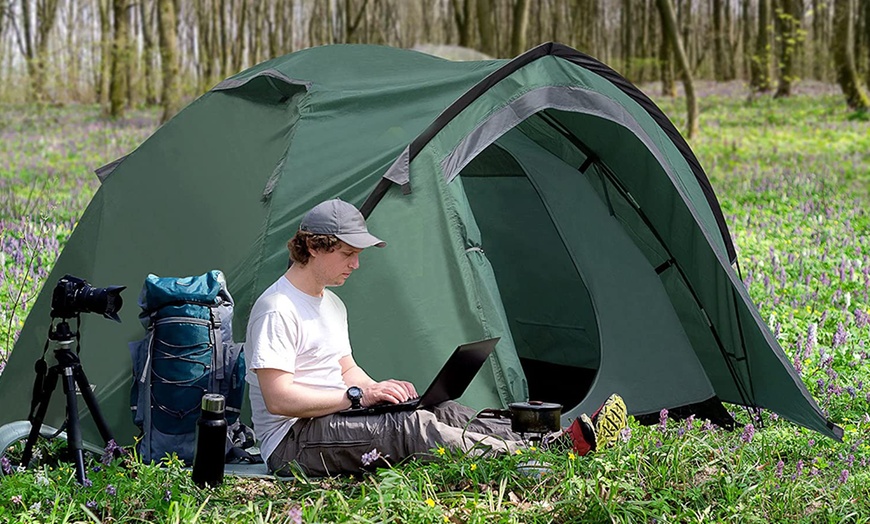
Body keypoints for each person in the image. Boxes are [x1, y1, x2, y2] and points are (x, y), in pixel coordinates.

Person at [245, 198, 626, 476]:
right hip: (292, 442)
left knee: (437, 410)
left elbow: (346, 368)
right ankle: (530, 464)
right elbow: (279, 399)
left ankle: (549, 440)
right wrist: (358, 397)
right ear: (313, 246)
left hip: (335, 416)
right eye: (347, 253)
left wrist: (381, 391)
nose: (356, 264)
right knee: (411, 428)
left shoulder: (331, 305)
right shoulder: (278, 307)